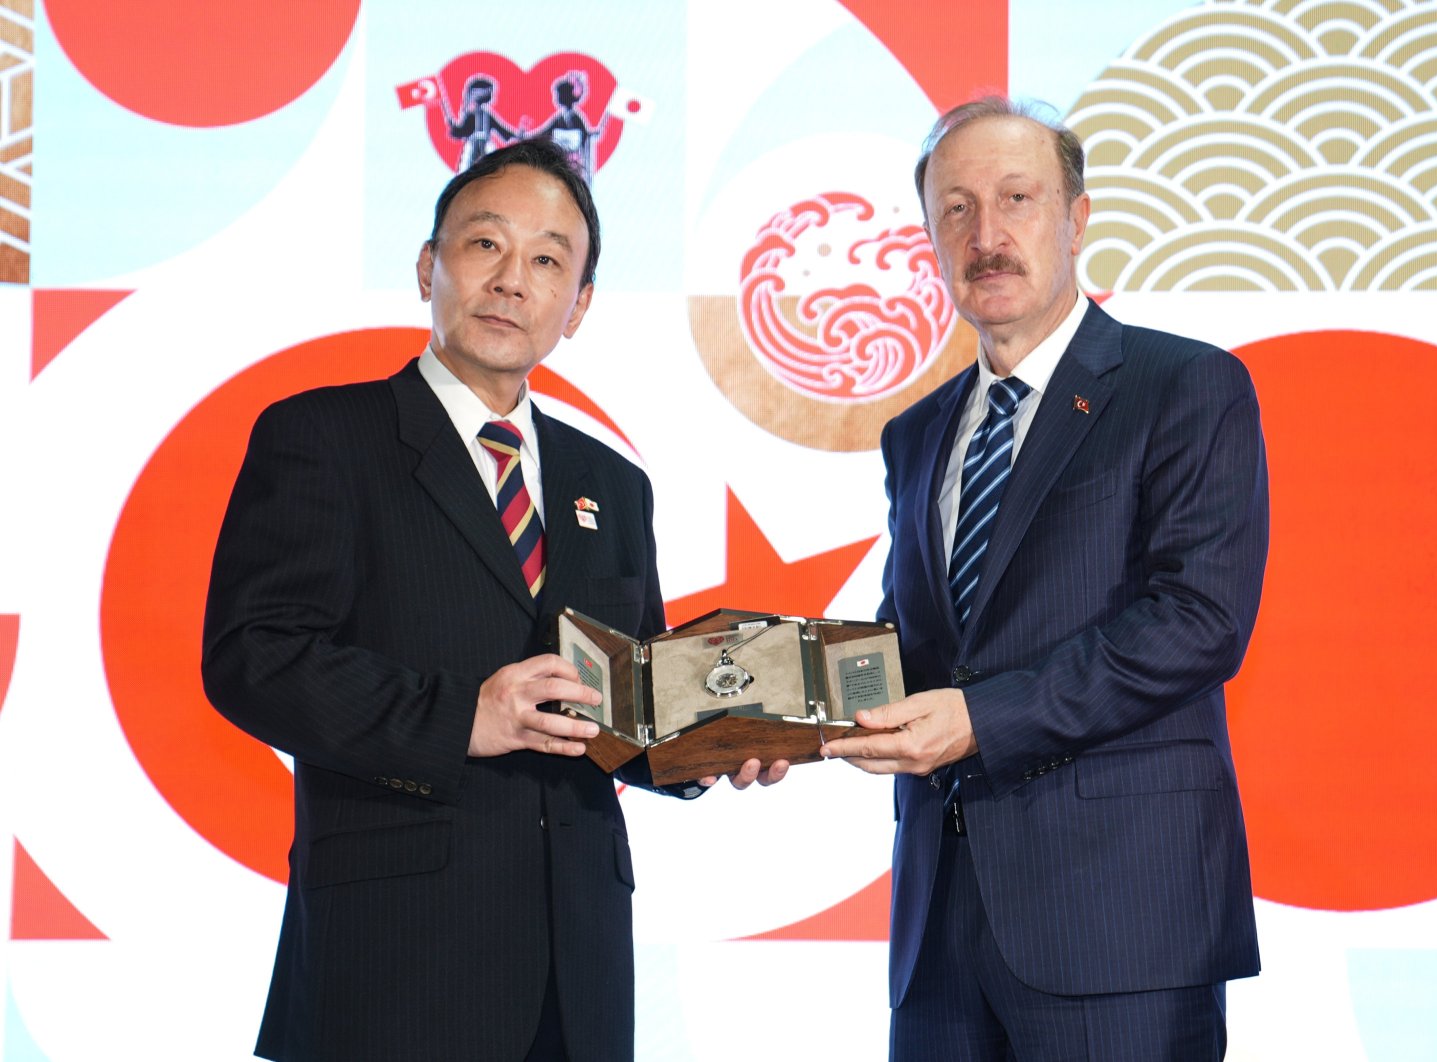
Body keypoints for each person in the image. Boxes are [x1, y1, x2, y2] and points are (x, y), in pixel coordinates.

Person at [202, 137, 784, 1062]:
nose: (515, 280)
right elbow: (253, 656)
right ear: (430, 265)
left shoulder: (614, 483)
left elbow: (620, 713)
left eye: (549, 260)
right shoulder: (324, 435)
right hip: (393, 960)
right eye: (486, 246)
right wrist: (460, 717)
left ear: (578, 306)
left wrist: (709, 744)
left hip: (579, 971)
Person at [822, 97, 1269, 1061]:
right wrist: (781, 712)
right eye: (955, 209)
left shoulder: (1186, 386)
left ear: (1077, 218)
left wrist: (983, 719)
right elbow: (912, 642)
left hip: (1121, 926)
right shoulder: (918, 434)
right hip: (940, 931)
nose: (986, 236)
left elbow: (1198, 621)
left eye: (1016, 199)